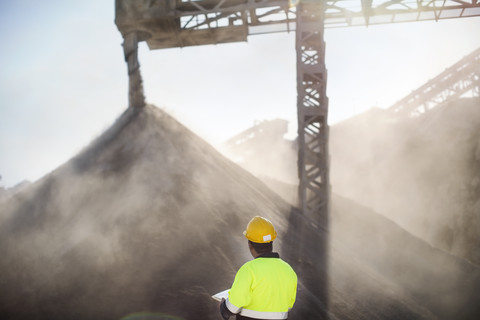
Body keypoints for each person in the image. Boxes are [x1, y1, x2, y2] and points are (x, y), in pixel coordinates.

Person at [219, 216, 297, 320]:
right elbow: (289, 305)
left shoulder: (248, 270)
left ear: (250, 245)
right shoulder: (289, 271)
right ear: (271, 242)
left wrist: (223, 306)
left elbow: (232, 308)